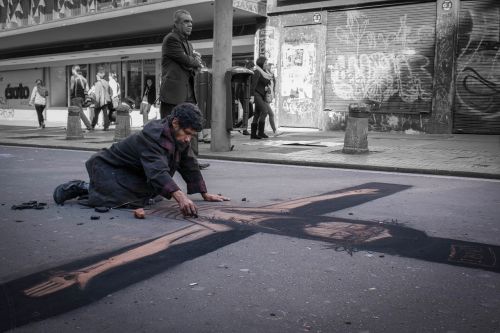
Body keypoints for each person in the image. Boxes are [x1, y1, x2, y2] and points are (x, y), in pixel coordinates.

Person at [53, 103, 229, 216]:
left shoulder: (179, 136)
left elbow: (189, 164)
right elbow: (157, 171)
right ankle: (82, 187)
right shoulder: (152, 137)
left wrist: (204, 193)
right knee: (121, 201)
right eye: (188, 133)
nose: (189, 139)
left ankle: (98, 189)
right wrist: (181, 197)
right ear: (175, 123)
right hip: (108, 167)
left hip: (133, 172)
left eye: (192, 135)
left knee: (149, 197)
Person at [159, 9, 209, 169]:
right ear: (176, 24)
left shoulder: (188, 43)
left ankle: (192, 162)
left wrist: (193, 61)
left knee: (191, 126)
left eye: (191, 22)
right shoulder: (171, 39)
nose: (190, 25)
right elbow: (186, 60)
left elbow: (191, 65)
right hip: (173, 93)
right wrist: (194, 60)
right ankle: (166, 161)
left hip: (188, 92)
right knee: (169, 129)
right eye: (186, 22)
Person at [250, 56, 275, 139]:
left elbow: (267, 82)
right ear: (261, 63)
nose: (266, 64)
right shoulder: (257, 72)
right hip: (256, 94)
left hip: (261, 94)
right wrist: (252, 96)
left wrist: (270, 73)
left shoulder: (265, 72)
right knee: (265, 111)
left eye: (266, 63)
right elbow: (253, 85)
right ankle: (260, 132)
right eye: (265, 63)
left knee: (257, 114)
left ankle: (253, 134)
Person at [69, 65, 93, 131]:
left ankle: (89, 126)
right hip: (82, 98)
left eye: (72, 70)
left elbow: (71, 88)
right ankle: (74, 126)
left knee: (79, 112)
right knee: (77, 112)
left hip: (75, 97)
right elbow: (87, 89)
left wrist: (71, 96)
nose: (72, 71)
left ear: (74, 70)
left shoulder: (73, 77)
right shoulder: (84, 79)